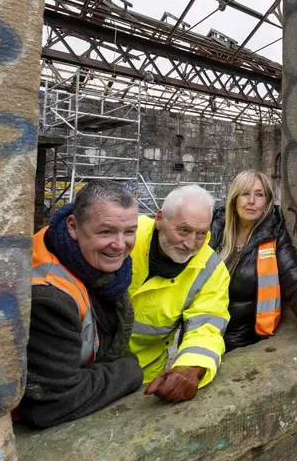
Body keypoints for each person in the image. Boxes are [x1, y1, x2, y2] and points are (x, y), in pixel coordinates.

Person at [17, 180, 144, 428]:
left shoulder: (84, 260)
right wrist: (130, 371)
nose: (120, 245)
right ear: (73, 226)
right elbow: (53, 404)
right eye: (106, 231)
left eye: (129, 231)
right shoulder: (49, 297)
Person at [210, 170, 297, 369]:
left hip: (238, 341)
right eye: (245, 194)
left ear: (267, 201)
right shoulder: (215, 227)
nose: (251, 201)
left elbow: (296, 281)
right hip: (201, 332)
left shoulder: (273, 232)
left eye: (259, 194)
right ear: (234, 198)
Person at [128, 185, 230, 403]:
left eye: (201, 234)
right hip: (85, 363)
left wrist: (190, 368)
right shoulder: (128, 234)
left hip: (143, 373)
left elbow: (207, 324)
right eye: (183, 230)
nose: (191, 243)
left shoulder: (212, 269)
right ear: (159, 220)